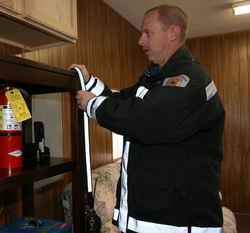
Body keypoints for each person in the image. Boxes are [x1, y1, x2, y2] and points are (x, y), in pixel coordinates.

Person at [70, 4, 225, 233]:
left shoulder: (190, 80)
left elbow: (143, 119)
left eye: (147, 33)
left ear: (173, 33)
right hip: (151, 215)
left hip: (177, 221)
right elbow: (122, 100)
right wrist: (90, 81)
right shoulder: (156, 80)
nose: (141, 41)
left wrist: (92, 104)